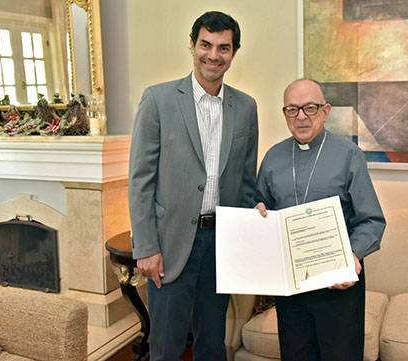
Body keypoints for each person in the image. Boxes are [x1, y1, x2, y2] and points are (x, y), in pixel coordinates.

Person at [129, 11, 258, 361]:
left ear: (234, 52)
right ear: (192, 45)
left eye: (223, 47)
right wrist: (146, 246)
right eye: (206, 44)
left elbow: (246, 181)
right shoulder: (158, 100)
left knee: (212, 342)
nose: (213, 55)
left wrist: (246, 236)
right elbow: (140, 179)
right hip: (170, 245)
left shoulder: (246, 108)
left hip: (221, 244)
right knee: (166, 346)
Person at [255, 79, 385, 361]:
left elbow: (372, 220)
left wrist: (353, 254)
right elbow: (259, 206)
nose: (301, 116)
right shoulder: (273, 157)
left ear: (325, 111)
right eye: (292, 109)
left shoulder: (349, 156)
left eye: (309, 108)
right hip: (291, 287)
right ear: (285, 114)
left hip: (337, 287)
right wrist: (257, 211)